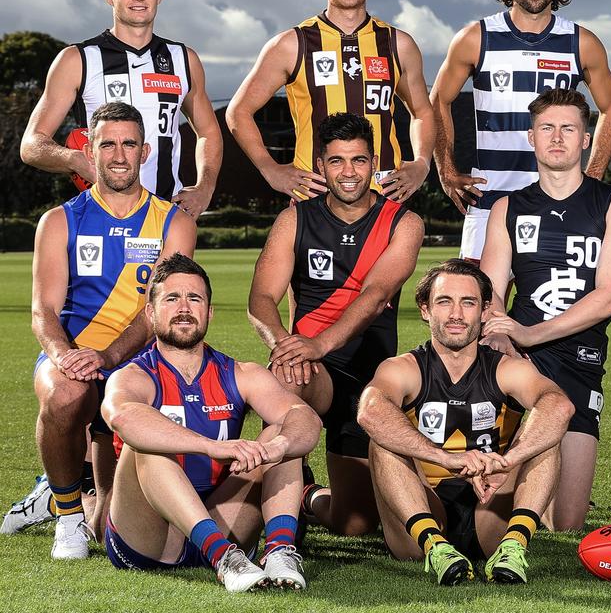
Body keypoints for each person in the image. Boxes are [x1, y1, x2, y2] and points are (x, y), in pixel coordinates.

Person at [26, 102, 196, 559]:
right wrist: (65, 356)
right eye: (107, 144)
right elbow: (44, 308)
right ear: (91, 151)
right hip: (76, 353)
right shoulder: (59, 220)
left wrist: (108, 357)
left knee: (116, 527)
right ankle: (66, 519)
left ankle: (110, 503)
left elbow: (158, 311)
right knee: (63, 394)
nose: (118, 155)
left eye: (128, 144)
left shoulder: (174, 221)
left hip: (139, 359)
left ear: (144, 152)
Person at [101, 254, 321, 593]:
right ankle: (222, 559)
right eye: (172, 298)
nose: (184, 307)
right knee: (145, 442)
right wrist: (211, 446)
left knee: (282, 430)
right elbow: (123, 417)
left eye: (195, 298)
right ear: (150, 313)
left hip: (224, 522)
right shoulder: (133, 375)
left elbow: (304, 418)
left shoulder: (241, 373)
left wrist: (280, 446)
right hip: (151, 538)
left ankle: (278, 553)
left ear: (209, 312)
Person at [247, 112, 423, 537]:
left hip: (367, 376)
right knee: (288, 379)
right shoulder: (295, 218)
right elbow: (261, 297)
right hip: (311, 368)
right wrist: (283, 345)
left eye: (359, 161)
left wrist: (318, 344)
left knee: (356, 524)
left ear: (374, 162)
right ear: (320, 164)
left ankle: (306, 496)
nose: (348, 172)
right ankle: (277, 529)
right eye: (337, 161)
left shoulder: (404, 223)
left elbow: (375, 296)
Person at [479, 88, 611, 530]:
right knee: (497, 512)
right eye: (546, 128)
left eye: (568, 128)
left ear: (585, 139)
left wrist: (531, 333)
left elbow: (608, 297)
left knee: (565, 524)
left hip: (579, 358)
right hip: (518, 359)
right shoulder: (507, 207)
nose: (557, 138)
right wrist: (498, 334)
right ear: (530, 138)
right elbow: (490, 291)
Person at [358, 260, 573, 585]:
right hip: (423, 509)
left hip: (492, 505)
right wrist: (447, 458)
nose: (456, 314)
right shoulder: (403, 368)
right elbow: (370, 411)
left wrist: (507, 461)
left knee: (545, 436)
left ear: (485, 311)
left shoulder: (506, 369)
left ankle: (512, 547)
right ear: (425, 310)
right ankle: (436, 547)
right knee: (382, 442)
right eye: (444, 302)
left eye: (468, 303)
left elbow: (559, 407)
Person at [430, 0, 611, 261]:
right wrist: (446, 169)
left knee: (554, 307)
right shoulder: (476, 38)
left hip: (559, 200)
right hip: (489, 199)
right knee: (479, 304)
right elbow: (436, 102)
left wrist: (593, 175)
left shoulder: (581, 42)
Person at [228, 0, 434, 203]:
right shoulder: (292, 44)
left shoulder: (398, 44)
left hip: (383, 198)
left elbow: (422, 111)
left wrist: (422, 163)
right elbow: (238, 112)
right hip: (316, 197)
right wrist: (271, 169)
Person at [20, 0, 222, 216]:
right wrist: (74, 160)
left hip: (166, 214)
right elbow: (31, 145)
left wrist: (204, 188)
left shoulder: (184, 59)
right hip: (98, 214)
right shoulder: (77, 59)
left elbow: (208, 132)